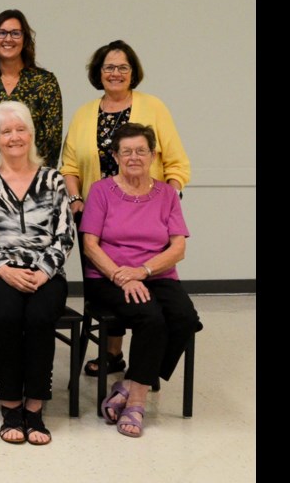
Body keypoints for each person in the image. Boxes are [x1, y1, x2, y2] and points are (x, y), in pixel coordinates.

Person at [61, 40, 191, 377]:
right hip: (97, 215)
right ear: (98, 73)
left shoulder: (154, 107)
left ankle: (144, 367)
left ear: (133, 72)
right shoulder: (85, 113)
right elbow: (70, 166)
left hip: (145, 211)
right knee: (110, 287)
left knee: (154, 296)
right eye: (108, 67)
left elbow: (176, 162)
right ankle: (113, 354)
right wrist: (76, 200)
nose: (115, 73)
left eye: (122, 67)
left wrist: (167, 198)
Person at [80, 123, 200, 438]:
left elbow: (178, 247)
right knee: (152, 318)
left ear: (153, 155)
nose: (134, 157)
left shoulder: (166, 194)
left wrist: (143, 271)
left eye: (141, 151)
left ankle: (131, 381)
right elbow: (90, 244)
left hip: (155, 273)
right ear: (115, 156)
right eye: (127, 151)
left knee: (185, 319)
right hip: (108, 276)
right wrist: (122, 276)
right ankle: (136, 401)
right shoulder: (101, 190)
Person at [0, 101, 73, 445]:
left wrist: (44, 270)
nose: (14, 137)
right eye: (6, 131)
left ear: (31, 134)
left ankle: (35, 408)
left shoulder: (54, 179)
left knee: (41, 316)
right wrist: (3, 269)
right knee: (7, 313)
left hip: (46, 271)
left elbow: (66, 234)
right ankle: (10, 405)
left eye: (20, 129)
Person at [0, 9, 62, 173]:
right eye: (2, 33)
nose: (8, 39)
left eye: (15, 33)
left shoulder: (45, 82)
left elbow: (51, 140)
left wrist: (27, 176)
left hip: (34, 183)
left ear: (25, 39)